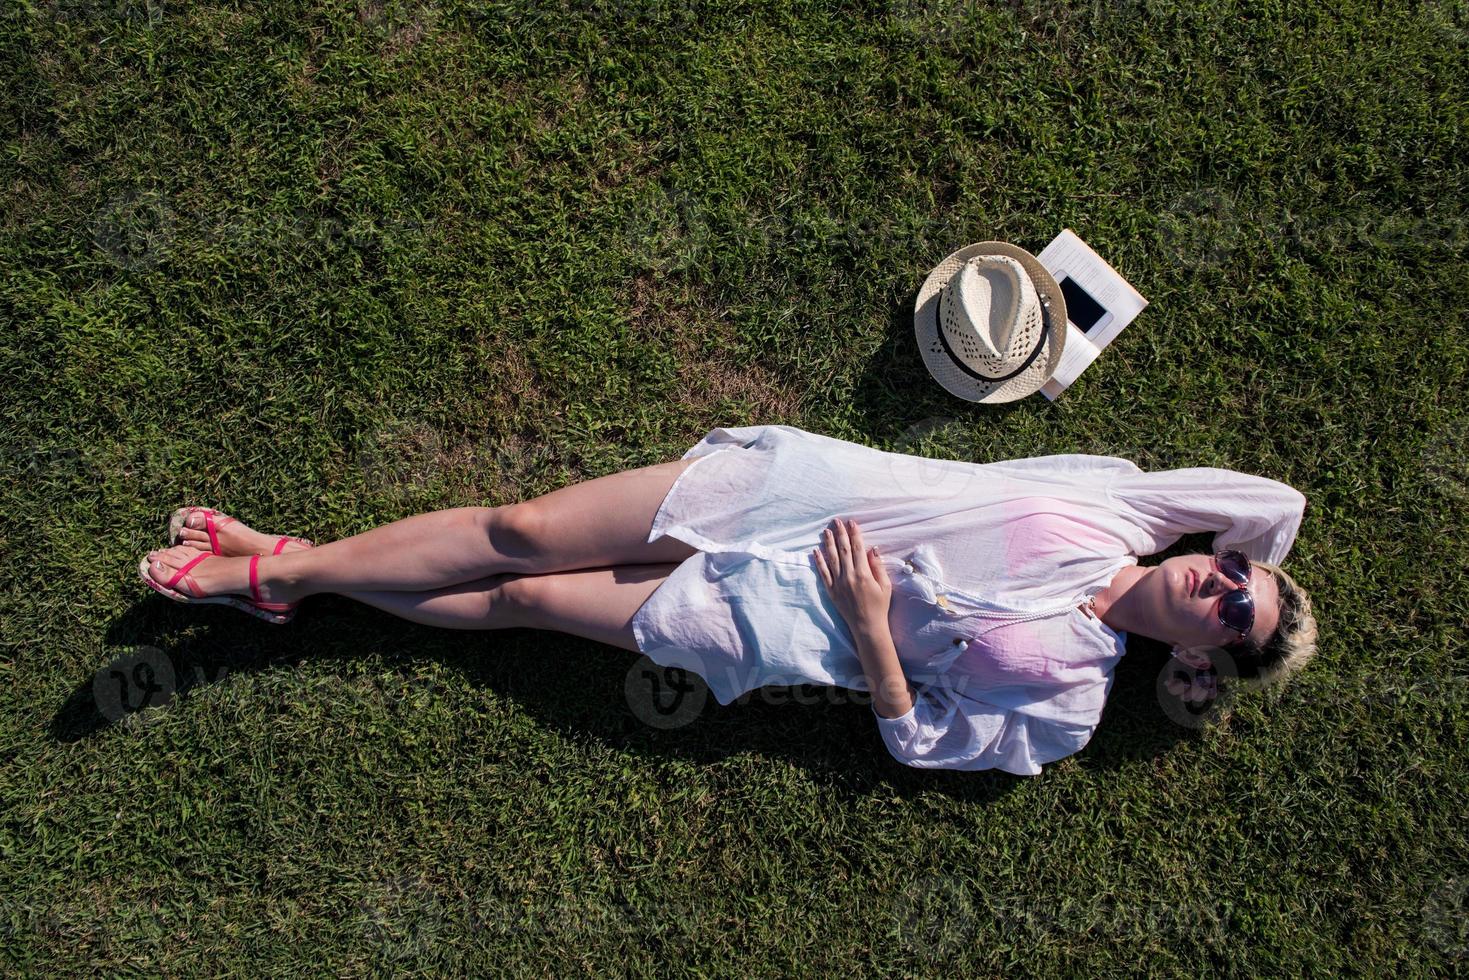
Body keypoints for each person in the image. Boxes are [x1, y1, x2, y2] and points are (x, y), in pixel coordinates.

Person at [139, 424, 1318, 775]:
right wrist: (1257, 581)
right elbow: (1275, 496)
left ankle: (290, 569)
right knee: (520, 528)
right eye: (1230, 574)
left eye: (1227, 614)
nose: (1216, 583)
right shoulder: (1125, 504)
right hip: (788, 497)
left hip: (770, 621)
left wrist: (872, 634)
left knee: (519, 601)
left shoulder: (1064, 696)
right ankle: (289, 571)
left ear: (1197, 662)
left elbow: (923, 741)